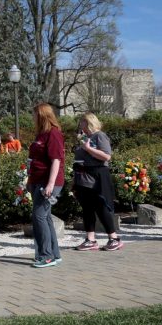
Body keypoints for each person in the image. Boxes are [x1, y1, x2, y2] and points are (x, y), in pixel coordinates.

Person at [72, 112, 123, 252]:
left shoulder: (99, 136)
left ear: (88, 122)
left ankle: (114, 238)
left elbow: (106, 156)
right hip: (82, 176)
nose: (80, 125)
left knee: (101, 206)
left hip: (96, 175)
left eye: (82, 122)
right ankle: (90, 239)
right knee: (87, 208)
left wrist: (88, 149)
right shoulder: (85, 138)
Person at [27, 103, 64, 268]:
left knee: (39, 216)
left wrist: (50, 184)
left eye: (35, 114)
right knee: (45, 217)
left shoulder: (53, 133)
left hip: (48, 182)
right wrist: (30, 180)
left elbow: (56, 160)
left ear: (42, 115)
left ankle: (46, 256)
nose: (33, 117)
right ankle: (54, 253)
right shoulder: (40, 134)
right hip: (37, 180)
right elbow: (33, 160)